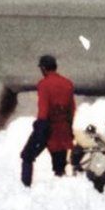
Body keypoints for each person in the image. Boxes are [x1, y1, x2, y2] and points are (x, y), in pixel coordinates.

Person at [20, 54, 76, 187]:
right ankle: (61, 188)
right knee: (59, 166)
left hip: (47, 126)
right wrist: (69, 127)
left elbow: (43, 108)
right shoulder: (67, 83)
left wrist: (40, 128)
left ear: (44, 68)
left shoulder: (44, 84)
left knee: (27, 155)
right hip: (63, 129)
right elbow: (72, 108)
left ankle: (25, 187)